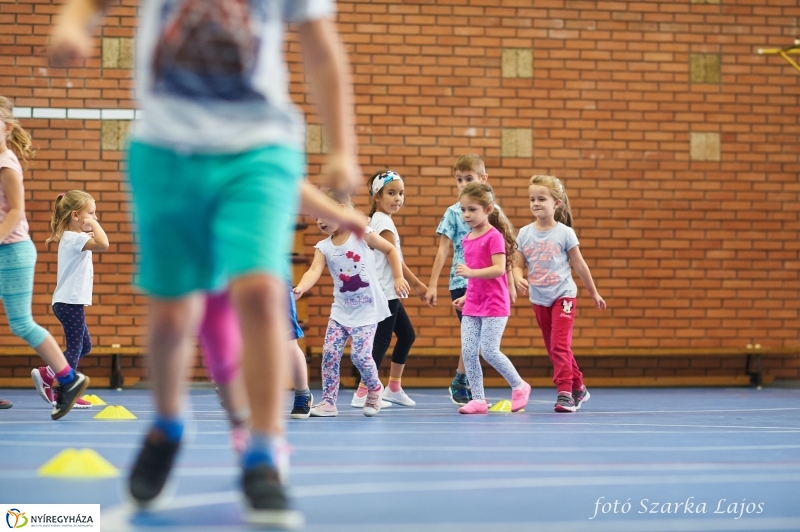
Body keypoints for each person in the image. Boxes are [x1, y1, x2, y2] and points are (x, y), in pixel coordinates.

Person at [50, 0, 362, 525]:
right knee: (172, 315)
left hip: (258, 148)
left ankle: (263, 451)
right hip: (167, 150)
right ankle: (168, 424)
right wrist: (70, 25)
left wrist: (342, 148)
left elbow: (321, 46)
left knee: (260, 294)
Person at [0, 96, 89, 420]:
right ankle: (66, 378)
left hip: (12, 251)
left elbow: (16, 212)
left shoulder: (6, 165)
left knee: (22, 323)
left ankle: (67, 378)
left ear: (7, 128)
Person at [293, 190, 409, 417]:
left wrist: (398, 277)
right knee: (329, 355)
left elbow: (390, 249)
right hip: (341, 311)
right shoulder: (324, 247)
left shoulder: (361, 234)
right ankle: (328, 402)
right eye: (316, 217)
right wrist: (301, 288)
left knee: (360, 356)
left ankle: (375, 388)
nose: (319, 222)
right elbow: (313, 270)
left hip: (367, 310)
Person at [513, 175, 606, 413]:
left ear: (556, 203)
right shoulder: (524, 233)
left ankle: (565, 393)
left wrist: (594, 293)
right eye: (532, 199)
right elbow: (517, 264)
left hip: (563, 296)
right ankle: (579, 386)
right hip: (539, 298)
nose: (535, 203)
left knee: (559, 345)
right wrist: (517, 277)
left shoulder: (565, 233)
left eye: (541, 199)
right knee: (553, 347)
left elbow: (580, 265)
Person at [452, 183, 531, 415]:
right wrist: (467, 295)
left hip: (495, 303)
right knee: (468, 352)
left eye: (472, 209)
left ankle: (519, 385)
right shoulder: (467, 238)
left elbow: (497, 269)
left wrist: (470, 273)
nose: (466, 214)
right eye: (463, 209)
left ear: (487, 210)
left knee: (489, 350)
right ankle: (478, 399)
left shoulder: (494, 237)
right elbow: (476, 277)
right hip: (473, 303)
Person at [351, 170, 427, 409]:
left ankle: (393, 388)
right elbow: (393, 256)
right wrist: (413, 283)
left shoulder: (379, 219)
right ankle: (364, 391)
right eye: (391, 193)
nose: (397, 198)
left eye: (401, 193)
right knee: (381, 341)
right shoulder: (383, 222)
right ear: (377, 196)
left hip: (386, 290)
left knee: (407, 335)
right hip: (385, 291)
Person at [31, 191, 109, 410]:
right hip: (70, 303)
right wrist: (94, 224)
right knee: (75, 348)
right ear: (75, 215)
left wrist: (90, 223)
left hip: (67, 303)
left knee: (84, 346)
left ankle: (48, 372)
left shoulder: (73, 238)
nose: (94, 217)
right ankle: (65, 392)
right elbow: (103, 244)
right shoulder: (76, 239)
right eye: (91, 213)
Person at [425, 154, 489, 404]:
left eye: (468, 179)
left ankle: (463, 380)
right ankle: (462, 381)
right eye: (459, 179)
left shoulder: (491, 211)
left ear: (483, 179)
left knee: (481, 337)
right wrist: (432, 284)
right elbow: (443, 250)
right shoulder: (453, 213)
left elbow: (502, 247)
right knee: (473, 335)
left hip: (486, 282)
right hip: (462, 283)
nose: (463, 184)